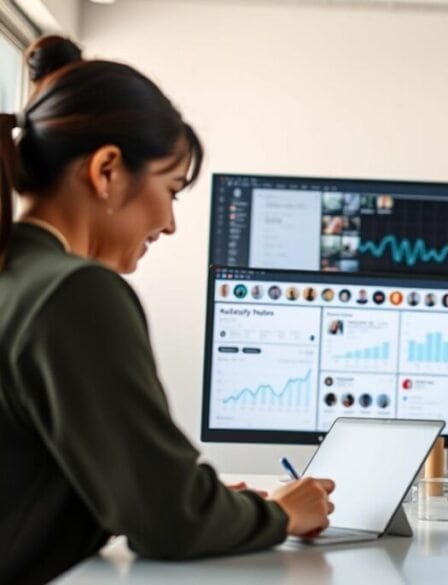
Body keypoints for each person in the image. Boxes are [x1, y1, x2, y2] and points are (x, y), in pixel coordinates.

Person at [0, 36, 335, 585]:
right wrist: (278, 513)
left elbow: (125, 492)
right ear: (107, 169)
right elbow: (168, 521)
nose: (170, 223)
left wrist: (202, 504)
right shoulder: (75, 293)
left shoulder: (16, 274)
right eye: (171, 188)